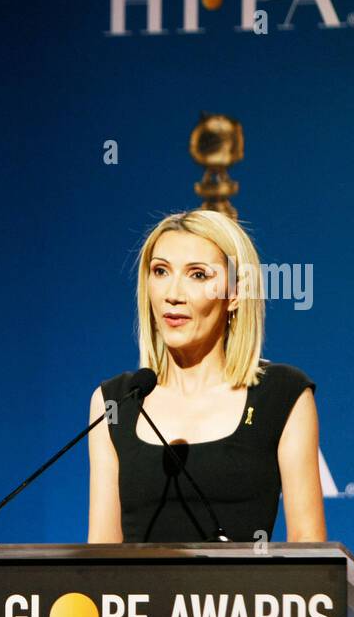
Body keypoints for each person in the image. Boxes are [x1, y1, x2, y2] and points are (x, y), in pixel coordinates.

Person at [87, 209, 326, 543]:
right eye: (160, 271)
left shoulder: (282, 395)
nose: (173, 293)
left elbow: (309, 555)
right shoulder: (117, 401)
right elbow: (100, 558)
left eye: (197, 275)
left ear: (236, 294)